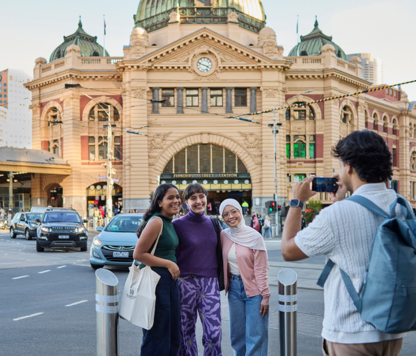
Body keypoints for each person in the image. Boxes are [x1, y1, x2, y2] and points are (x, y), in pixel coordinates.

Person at [281, 130, 404, 356]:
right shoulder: (400, 205)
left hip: (352, 332)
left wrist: (296, 201)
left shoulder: (338, 214)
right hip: (392, 329)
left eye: (340, 164)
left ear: (349, 167)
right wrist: (340, 202)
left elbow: (288, 250)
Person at [173, 184, 223, 356]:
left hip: (210, 284)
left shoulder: (215, 224)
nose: (198, 201)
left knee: (214, 334)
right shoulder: (177, 225)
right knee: (185, 334)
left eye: (201, 196)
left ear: (206, 199)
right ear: (186, 202)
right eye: (193, 198)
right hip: (184, 283)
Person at [133, 184, 182, 356]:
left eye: (177, 197)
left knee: (171, 333)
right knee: (157, 335)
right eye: (170, 197)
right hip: (156, 282)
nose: (176, 200)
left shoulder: (169, 221)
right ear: (159, 202)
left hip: (168, 284)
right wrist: (169, 264)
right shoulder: (157, 221)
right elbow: (138, 254)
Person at [220, 199, 270, 356]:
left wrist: (265, 296)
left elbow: (261, 269)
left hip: (255, 291)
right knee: (237, 336)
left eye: (234, 211)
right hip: (234, 290)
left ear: (241, 212)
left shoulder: (254, 236)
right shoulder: (223, 235)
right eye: (225, 214)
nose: (230, 216)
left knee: (255, 336)